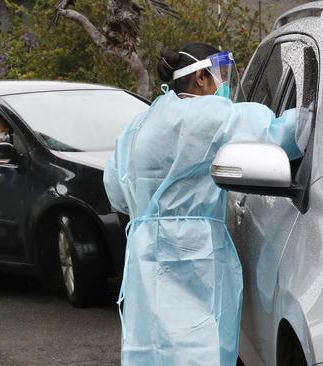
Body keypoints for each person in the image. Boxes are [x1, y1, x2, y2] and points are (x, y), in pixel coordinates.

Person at [103, 43, 305, 365]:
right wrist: (316, 113)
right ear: (200, 77)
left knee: (151, 348)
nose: (224, 84)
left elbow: (114, 190)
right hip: (192, 253)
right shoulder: (207, 115)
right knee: (198, 346)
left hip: (143, 255)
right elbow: (275, 136)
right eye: (221, 75)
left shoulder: (136, 126)